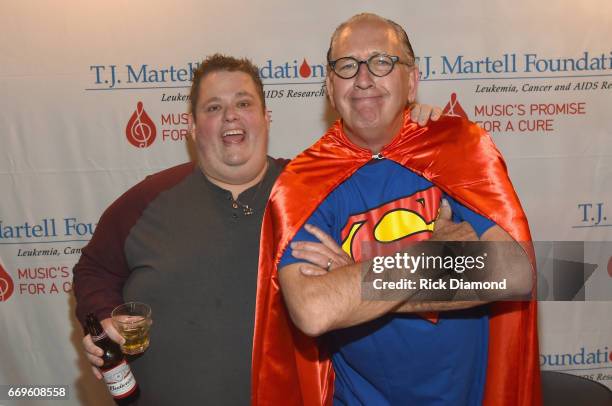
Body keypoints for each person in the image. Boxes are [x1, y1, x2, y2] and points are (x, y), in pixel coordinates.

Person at [72, 54, 441, 405]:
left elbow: (391, 194)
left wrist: (416, 133)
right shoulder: (146, 200)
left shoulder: (315, 192)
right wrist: (104, 316)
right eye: (214, 107)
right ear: (191, 125)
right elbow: (94, 269)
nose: (231, 115)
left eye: (244, 103)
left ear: (266, 116)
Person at [253, 13, 541, 406]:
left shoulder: (459, 147)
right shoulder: (302, 181)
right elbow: (314, 310)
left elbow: (513, 270)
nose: (364, 78)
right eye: (347, 65)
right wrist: (439, 258)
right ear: (329, 86)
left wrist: (354, 279)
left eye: (382, 61)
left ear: (412, 81)